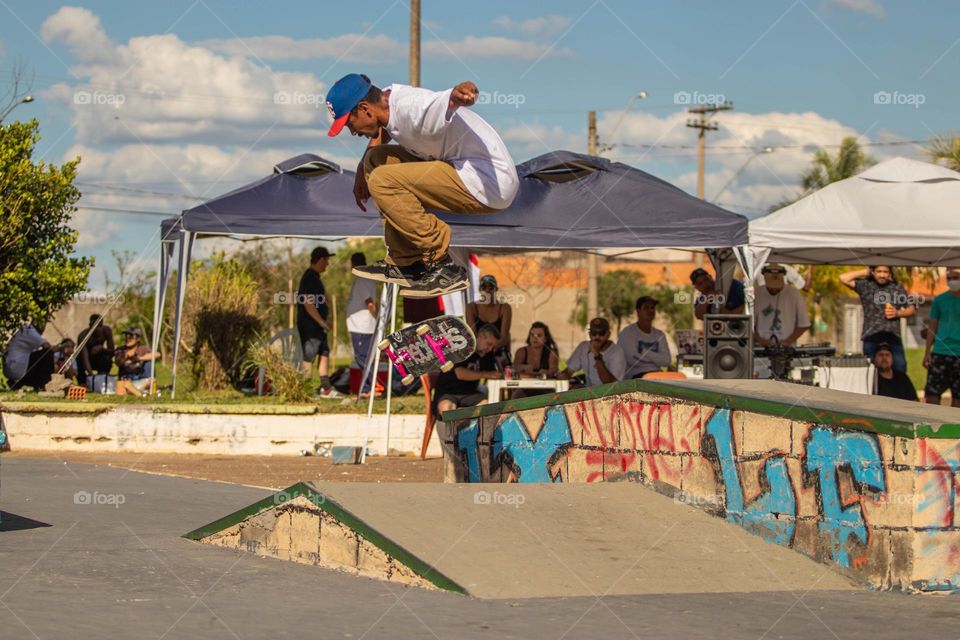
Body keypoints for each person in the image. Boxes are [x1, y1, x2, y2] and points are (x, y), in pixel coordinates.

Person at [327, 73, 519, 298]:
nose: (352, 132)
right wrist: (361, 168)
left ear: (364, 109)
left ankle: (443, 265)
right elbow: (382, 133)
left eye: (350, 123)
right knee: (374, 160)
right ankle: (406, 262)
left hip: (488, 182)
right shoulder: (385, 101)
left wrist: (461, 93)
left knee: (382, 180)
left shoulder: (413, 107)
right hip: (455, 168)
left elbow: (443, 103)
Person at [840, 266, 915, 373]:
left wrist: (898, 313)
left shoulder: (897, 287)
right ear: (873, 272)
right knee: (870, 373)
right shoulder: (865, 285)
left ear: (890, 274)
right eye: (879, 271)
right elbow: (843, 278)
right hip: (871, 337)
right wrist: (865, 271)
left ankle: (898, 390)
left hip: (893, 336)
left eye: (885, 272)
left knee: (900, 369)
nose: (882, 275)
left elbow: (911, 309)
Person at [434, 325, 503, 415]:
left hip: (470, 393)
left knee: (486, 406)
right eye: (489, 344)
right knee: (447, 409)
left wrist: (498, 366)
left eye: (493, 347)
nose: (490, 349)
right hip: (448, 392)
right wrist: (485, 374)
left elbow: (494, 374)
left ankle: (471, 425)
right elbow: (460, 373)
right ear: (480, 336)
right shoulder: (462, 349)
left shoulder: (488, 354)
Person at [297, 246, 338, 397]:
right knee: (309, 356)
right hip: (310, 326)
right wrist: (321, 322)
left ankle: (326, 387)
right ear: (320, 260)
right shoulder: (309, 277)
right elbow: (308, 302)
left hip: (318, 326)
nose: (327, 264)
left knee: (324, 352)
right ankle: (305, 389)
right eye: (326, 260)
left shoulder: (315, 278)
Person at [922, 267, 960, 408]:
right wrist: (927, 353)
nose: (952, 281)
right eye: (949, 278)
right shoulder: (940, 300)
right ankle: (931, 425)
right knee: (932, 394)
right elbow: (932, 326)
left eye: (956, 277)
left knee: (958, 398)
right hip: (940, 352)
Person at [753, 263, 811, 347]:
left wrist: (788, 340)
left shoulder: (794, 294)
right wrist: (761, 341)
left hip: (787, 349)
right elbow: (748, 325)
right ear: (764, 279)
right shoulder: (756, 294)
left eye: (777, 288)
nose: (774, 291)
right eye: (771, 288)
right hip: (760, 348)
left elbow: (804, 324)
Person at [559, 317, 626, 387]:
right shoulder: (583, 347)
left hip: (611, 395)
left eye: (601, 333)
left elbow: (608, 383)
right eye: (594, 333)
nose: (597, 337)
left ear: (608, 334)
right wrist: (561, 376)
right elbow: (569, 371)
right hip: (590, 393)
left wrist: (596, 355)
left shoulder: (617, 352)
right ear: (589, 334)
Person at [346, 252, 379, 390]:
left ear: (353, 265)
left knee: (362, 357)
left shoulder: (362, 280)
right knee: (364, 356)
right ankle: (369, 385)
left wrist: (378, 321)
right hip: (361, 326)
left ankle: (372, 385)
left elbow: (370, 303)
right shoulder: (366, 279)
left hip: (362, 326)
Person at [465, 274, 512, 368]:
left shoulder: (504, 308)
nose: (487, 290)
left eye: (491, 287)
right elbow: (473, 338)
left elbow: (504, 337)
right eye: (484, 287)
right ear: (479, 290)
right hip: (479, 350)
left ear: (496, 289)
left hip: (497, 349)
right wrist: (483, 351)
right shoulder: (472, 308)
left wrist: (491, 349)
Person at [618, 296, 672, 378]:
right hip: (635, 378)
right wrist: (656, 360)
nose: (650, 310)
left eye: (652, 307)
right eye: (646, 307)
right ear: (638, 311)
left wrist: (643, 351)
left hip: (657, 376)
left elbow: (666, 361)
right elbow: (631, 360)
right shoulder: (628, 332)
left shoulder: (659, 334)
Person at [3, 323, 54, 390]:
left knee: (37, 357)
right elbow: (48, 347)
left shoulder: (25, 330)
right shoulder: (29, 330)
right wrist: (63, 347)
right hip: (16, 369)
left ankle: (17, 383)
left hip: (11, 368)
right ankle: (43, 384)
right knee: (47, 354)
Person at [77, 314, 114, 385]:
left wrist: (102, 349)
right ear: (90, 326)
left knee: (106, 358)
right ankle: (83, 383)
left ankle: (103, 378)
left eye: (99, 326)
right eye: (95, 326)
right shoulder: (83, 335)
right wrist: (91, 375)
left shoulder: (107, 331)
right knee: (79, 359)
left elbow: (112, 352)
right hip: (86, 359)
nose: (97, 329)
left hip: (99, 358)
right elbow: (84, 357)